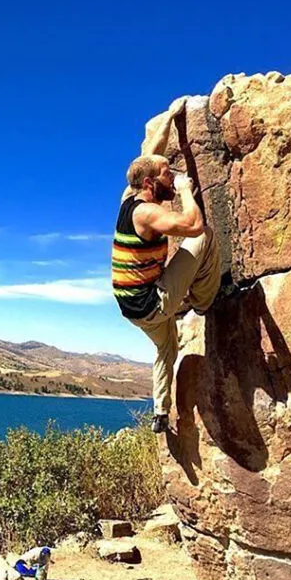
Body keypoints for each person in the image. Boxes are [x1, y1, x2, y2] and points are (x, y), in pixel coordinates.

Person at [114, 120, 221, 434]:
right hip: (151, 303)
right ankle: (203, 302)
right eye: (166, 174)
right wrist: (186, 191)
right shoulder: (146, 213)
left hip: (131, 308)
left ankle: (160, 412)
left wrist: (172, 119)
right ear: (149, 183)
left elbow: (151, 152)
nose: (171, 177)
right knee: (205, 238)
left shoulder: (128, 197)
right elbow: (193, 226)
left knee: (167, 348)